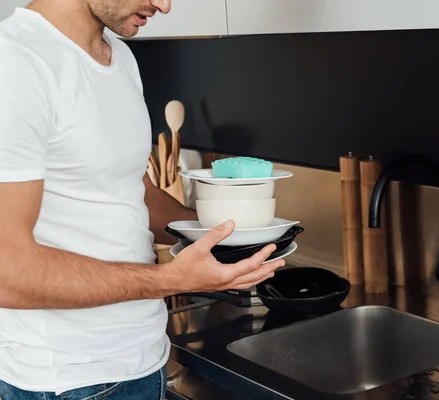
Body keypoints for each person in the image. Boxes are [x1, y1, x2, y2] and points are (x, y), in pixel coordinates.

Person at [0, 0, 286, 399]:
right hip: (66, 381)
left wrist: (224, 235)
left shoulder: (118, 56)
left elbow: (133, 192)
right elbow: (8, 273)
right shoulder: (15, 62)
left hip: (142, 359)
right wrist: (169, 281)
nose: (164, 5)